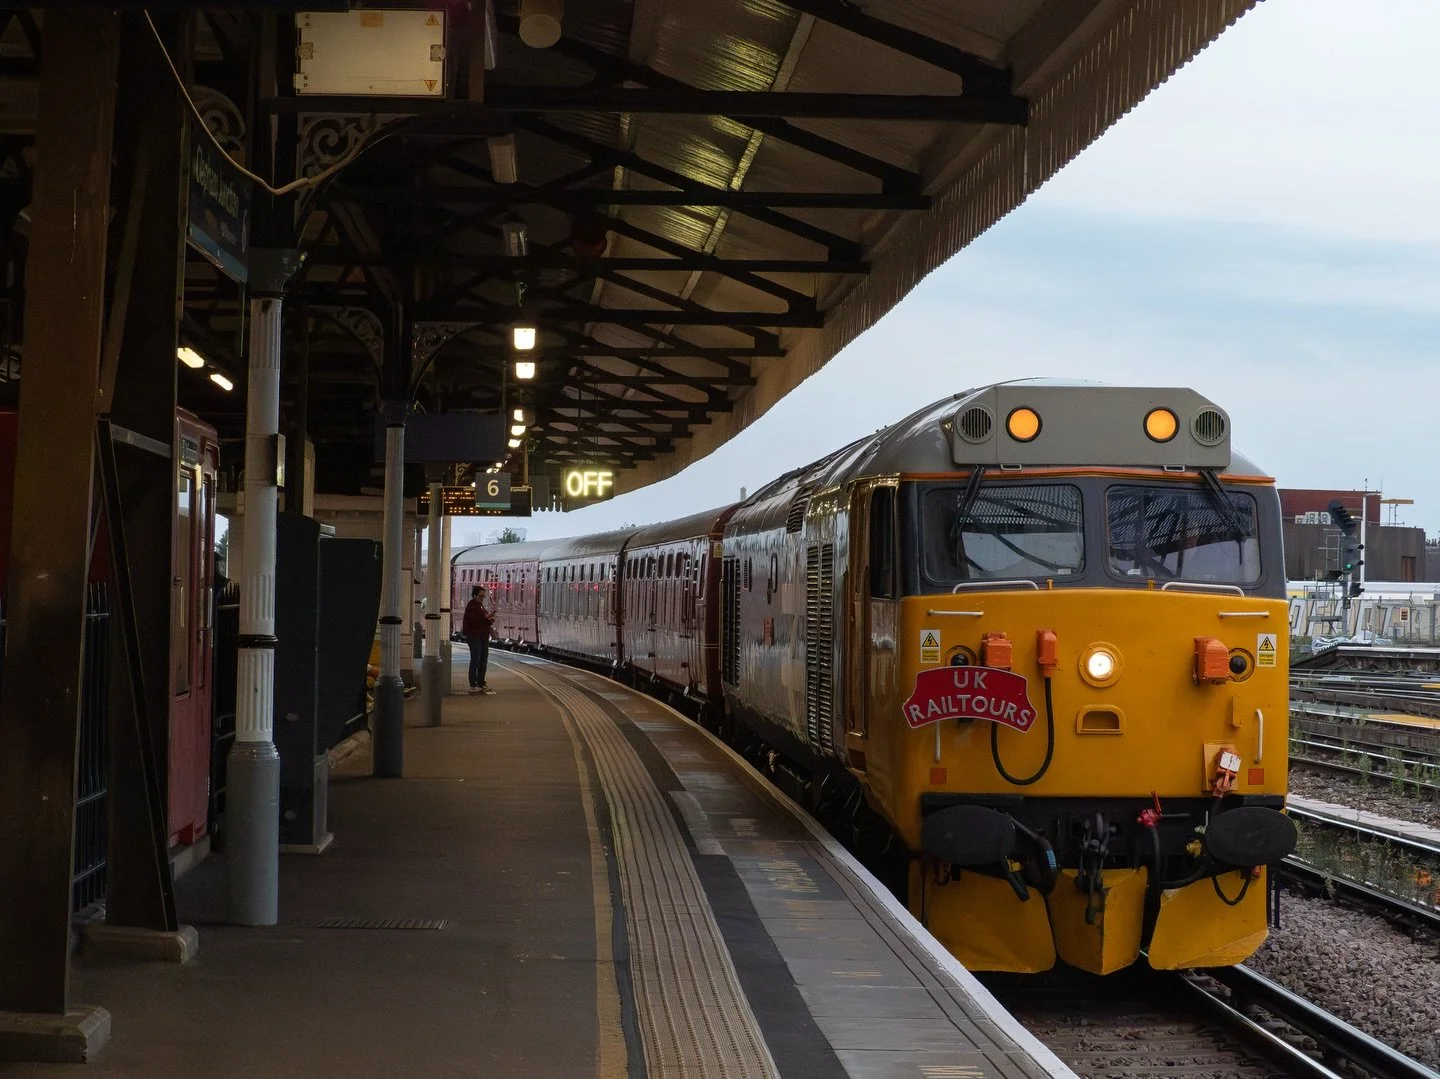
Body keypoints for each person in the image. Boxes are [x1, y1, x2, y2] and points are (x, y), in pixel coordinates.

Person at [461, 587, 495, 694]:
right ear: (474, 595)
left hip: (482, 636)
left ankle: (481, 683)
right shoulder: (472, 606)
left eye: (483, 596)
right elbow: (475, 621)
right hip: (475, 637)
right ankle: (473, 684)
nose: (482, 598)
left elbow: (482, 620)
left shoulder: (480, 606)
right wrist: (487, 619)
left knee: (482, 660)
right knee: (476, 659)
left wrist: (488, 619)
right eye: (480, 596)